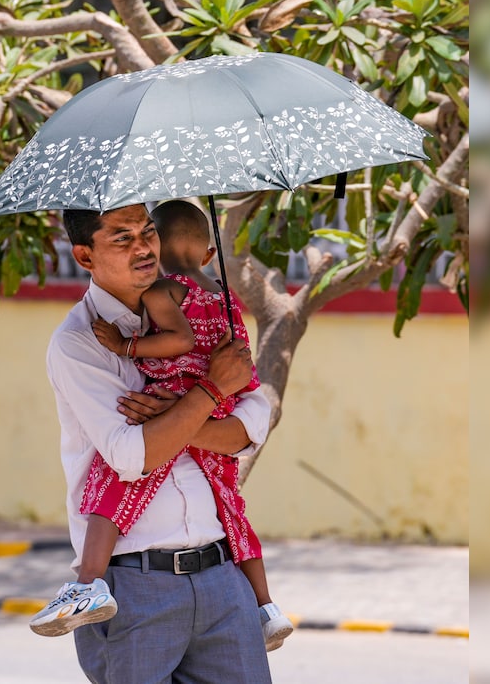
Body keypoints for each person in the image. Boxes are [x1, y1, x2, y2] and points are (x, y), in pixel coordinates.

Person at [30, 200, 293, 653]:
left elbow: (250, 424)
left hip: (220, 576)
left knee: (120, 494)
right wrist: (211, 397)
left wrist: (169, 404)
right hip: (138, 583)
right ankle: (265, 607)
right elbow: (134, 455)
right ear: (85, 256)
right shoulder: (80, 341)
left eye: (148, 232)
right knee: (225, 505)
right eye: (123, 238)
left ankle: (88, 585)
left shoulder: (169, 296)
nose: (143, 248)